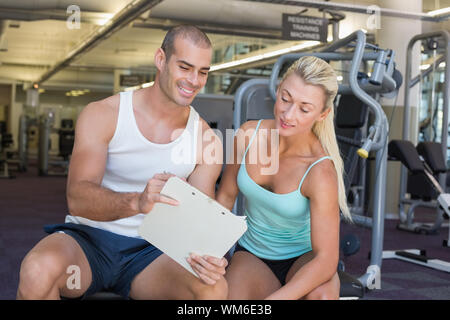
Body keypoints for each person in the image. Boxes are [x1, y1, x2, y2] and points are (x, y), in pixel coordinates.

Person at [17, 25, 228, 300]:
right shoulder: (104, 114)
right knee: (36, 270)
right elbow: (78, 198)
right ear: (161, 60)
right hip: (89, 241)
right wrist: (137, 203)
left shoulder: (206, 140)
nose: (194, 80)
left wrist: (209, 259)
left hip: (152, 255)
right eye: (185, 67)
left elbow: (198, 226)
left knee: (213, 290)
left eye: (203, 72)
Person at [216, 56, 351, 300]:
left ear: (322, 114)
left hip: (303, 259)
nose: (288, 114)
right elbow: (225, 197)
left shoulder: (320, 171)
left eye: (304, 108)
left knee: (322, 296)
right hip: (253, 254)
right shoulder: (248, 135)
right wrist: (207, 250)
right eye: (285, 99)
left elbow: (326, 259)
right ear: (277, 91)